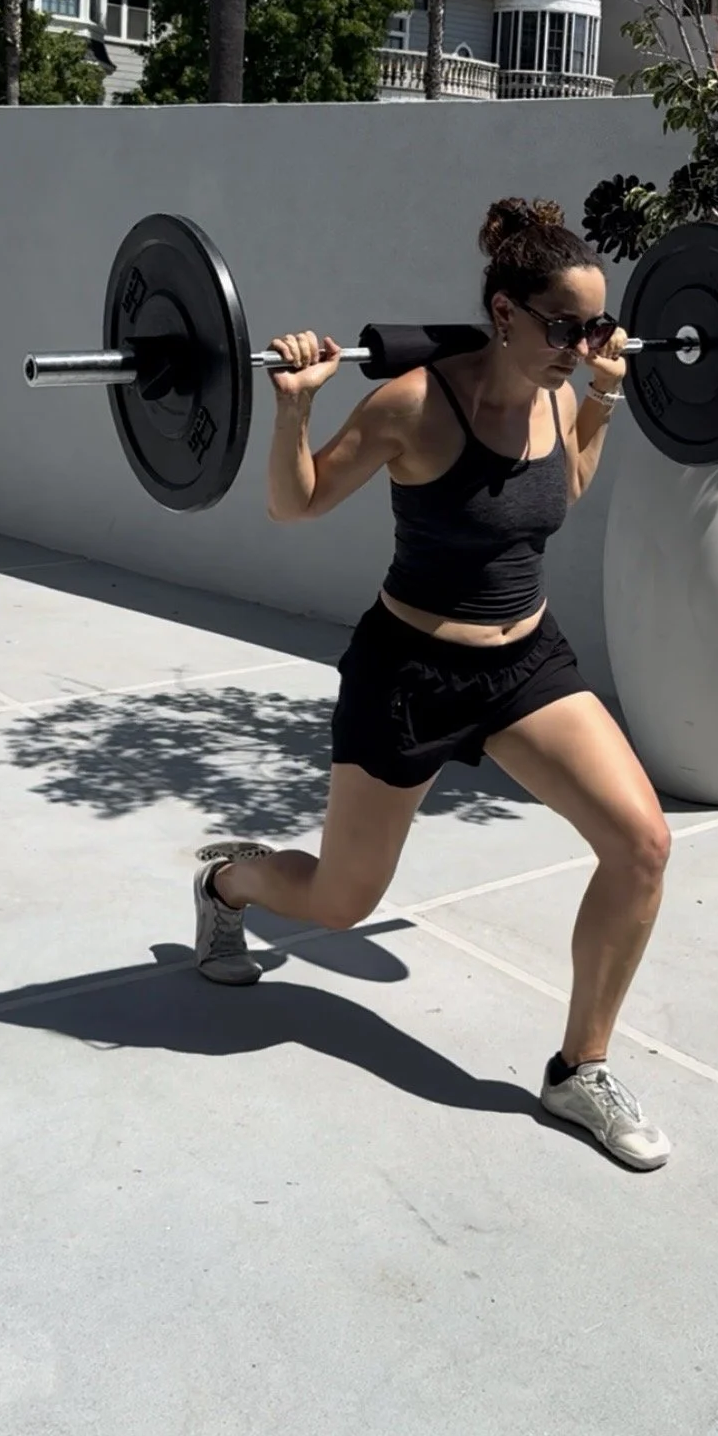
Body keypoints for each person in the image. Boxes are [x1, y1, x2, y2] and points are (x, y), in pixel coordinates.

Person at [193, 198, 673, 1170]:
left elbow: (564, 488)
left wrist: (604, 396)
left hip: (526, 663)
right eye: (567, 326)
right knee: (341, 903)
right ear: (504, 312)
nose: (586, 344)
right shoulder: (411, 404)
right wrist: (294, 405)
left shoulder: (562, 389)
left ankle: (579, 1069)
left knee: (642, 845)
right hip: (409, 672)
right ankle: (227, 879)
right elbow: (295, 504)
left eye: (598, 326)